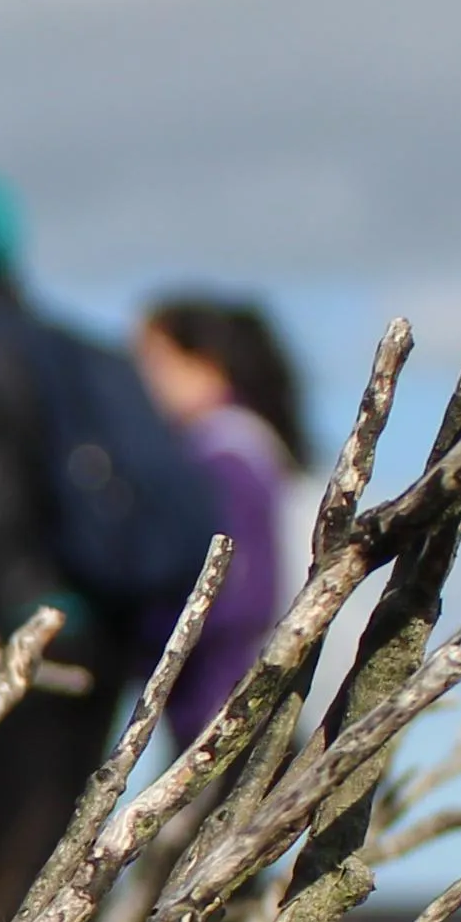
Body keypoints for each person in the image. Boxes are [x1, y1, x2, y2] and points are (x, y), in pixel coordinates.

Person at [0, 167, 222, 922]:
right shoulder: (79, 349)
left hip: (9, 644)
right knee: (63, 862)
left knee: (19, 871)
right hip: (97, 638)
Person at [134, 291, 311, 746]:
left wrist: (145, 629)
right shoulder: (250, 446)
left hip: (228, 703)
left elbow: (239, 595)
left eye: (155, 360)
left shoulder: (223, 453)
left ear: (205, 364)